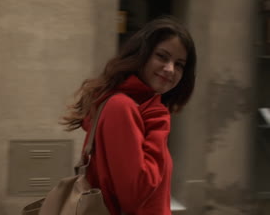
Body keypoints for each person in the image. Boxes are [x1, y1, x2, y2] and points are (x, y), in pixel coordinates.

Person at [61, 16, 196, 215]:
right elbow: (137, 195)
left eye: (180, 64)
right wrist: (159, 119)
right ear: (142, 55)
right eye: (162, 56)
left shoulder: (137, 109)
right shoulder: (122, 107)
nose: (170, 69)